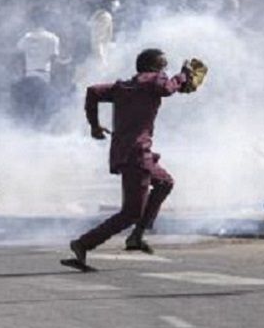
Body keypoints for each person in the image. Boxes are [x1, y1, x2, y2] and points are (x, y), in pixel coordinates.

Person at [63, 48, 207, 270]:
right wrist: (182, 77)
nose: (165, 71)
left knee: (165, 182)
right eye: (163, 66)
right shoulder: (154, 80)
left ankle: (137, 236)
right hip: (138, 154)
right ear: (154, 67)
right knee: (130, 212)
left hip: (129, 153)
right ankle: (83, 243)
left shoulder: (123, 87)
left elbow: (92, 91)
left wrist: (94, 126)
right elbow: (167, 88)